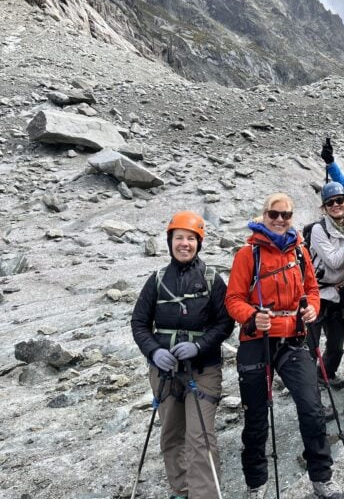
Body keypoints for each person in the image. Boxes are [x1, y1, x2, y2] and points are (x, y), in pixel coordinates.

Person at [225, 193, 343, 499]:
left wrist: (312, 308)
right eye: (274, 214)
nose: (279, 220)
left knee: (312, 408)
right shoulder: (247, 255)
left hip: (293, 337)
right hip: (256, 339)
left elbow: (312, 288)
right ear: (263, 215)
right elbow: (233, 299)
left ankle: (321, 476)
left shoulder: (299, 251)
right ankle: (256, 483)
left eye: (285, 215)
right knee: (255, 417)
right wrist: (252, 316)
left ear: (292, 217)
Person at [131, 211, 234, 499]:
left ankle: (205, 495)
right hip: (164, 372)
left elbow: (225, 322)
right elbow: (139, 322)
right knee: (172, 433)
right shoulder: (157, 279)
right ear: (170, 241)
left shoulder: (212, 279)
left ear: (199, 243)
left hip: (203, 370)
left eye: (191, 238)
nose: (184, 244)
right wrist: (154, 351)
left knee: (200, 435)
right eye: (179, 238)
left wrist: (199, 347)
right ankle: (181, 488)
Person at [306, 182, 344, 393]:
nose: (336, 205)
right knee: (311, 344)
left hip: (338, 293)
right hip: (315, 293)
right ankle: (308, 384)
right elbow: (335, 261)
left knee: (336, 346)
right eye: (330, 202)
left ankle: (325, 372)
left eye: (339, 201)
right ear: (324, 207)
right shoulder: (319, 229)